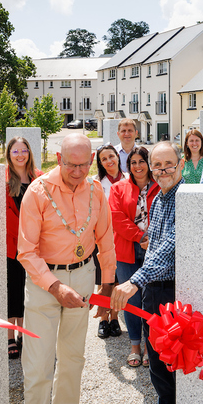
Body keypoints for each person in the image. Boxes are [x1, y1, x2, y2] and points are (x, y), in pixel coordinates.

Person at [17, 133, 116, 404]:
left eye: (85, 165)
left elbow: (106, 239)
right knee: (38, 367)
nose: (78, 172)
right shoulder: (37, 192)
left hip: (84, 278)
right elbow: (26, 251)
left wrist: (108, 283)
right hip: (45, 284)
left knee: (74, 357)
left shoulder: (95, 189)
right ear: (58, 159)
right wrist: (55, 287)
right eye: (72, 165)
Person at [110, 141, 184, 404]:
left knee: (179, 357)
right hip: (154, 288)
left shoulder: (187, 198)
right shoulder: (157, 199)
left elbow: (170, 246)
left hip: (175, 290)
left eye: (168, 164)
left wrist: (135, 280)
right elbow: (154, 243)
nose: (162, 171)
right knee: (156, 357)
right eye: (157, 165)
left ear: (181, 164)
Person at [108, 146, 160, 368]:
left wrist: (151, 240)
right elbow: (116, 218)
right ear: (127, 165)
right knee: (130, 300)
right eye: (133, 162)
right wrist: (140, 237)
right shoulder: (118, 188)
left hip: (155, 250)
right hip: (128, 249)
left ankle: (151, 345)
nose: (138, 166)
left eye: (142, 161)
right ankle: (135, 346)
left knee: (152, 298)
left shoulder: (160, 186)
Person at [5, 136, 42, 360]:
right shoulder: (4, 181)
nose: (20, 155)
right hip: (12, 246)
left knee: (31, 290)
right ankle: (10, 336)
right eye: (15, 151)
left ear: (29, 153)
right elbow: (6, 216)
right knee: (13, 290)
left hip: (36, 245)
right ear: (9, 154)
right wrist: (23, 238)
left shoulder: (39, 178)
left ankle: (23, 332)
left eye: (24, 150)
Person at [95, 143, 125, 338]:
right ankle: (103, 318)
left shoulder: (129, 180)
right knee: (103, 281)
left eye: (111, 156)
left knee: (118, 281)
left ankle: (115, 317)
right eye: (104, 159)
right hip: (102, 238)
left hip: (122, 239)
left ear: (118, 156)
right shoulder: (96, 183)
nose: (109, 161)